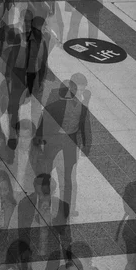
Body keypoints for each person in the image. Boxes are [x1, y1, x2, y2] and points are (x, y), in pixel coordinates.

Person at [33, 80, 91, 218]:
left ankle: (44, 209)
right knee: (67, 182)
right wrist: (86, 146)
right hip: (68, 148)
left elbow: (41, 129)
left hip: (52, 146)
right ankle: (66, 211)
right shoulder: (80, 108)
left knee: (46, 179)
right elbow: (85, 128)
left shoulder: (51, 107)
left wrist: (38, 143)